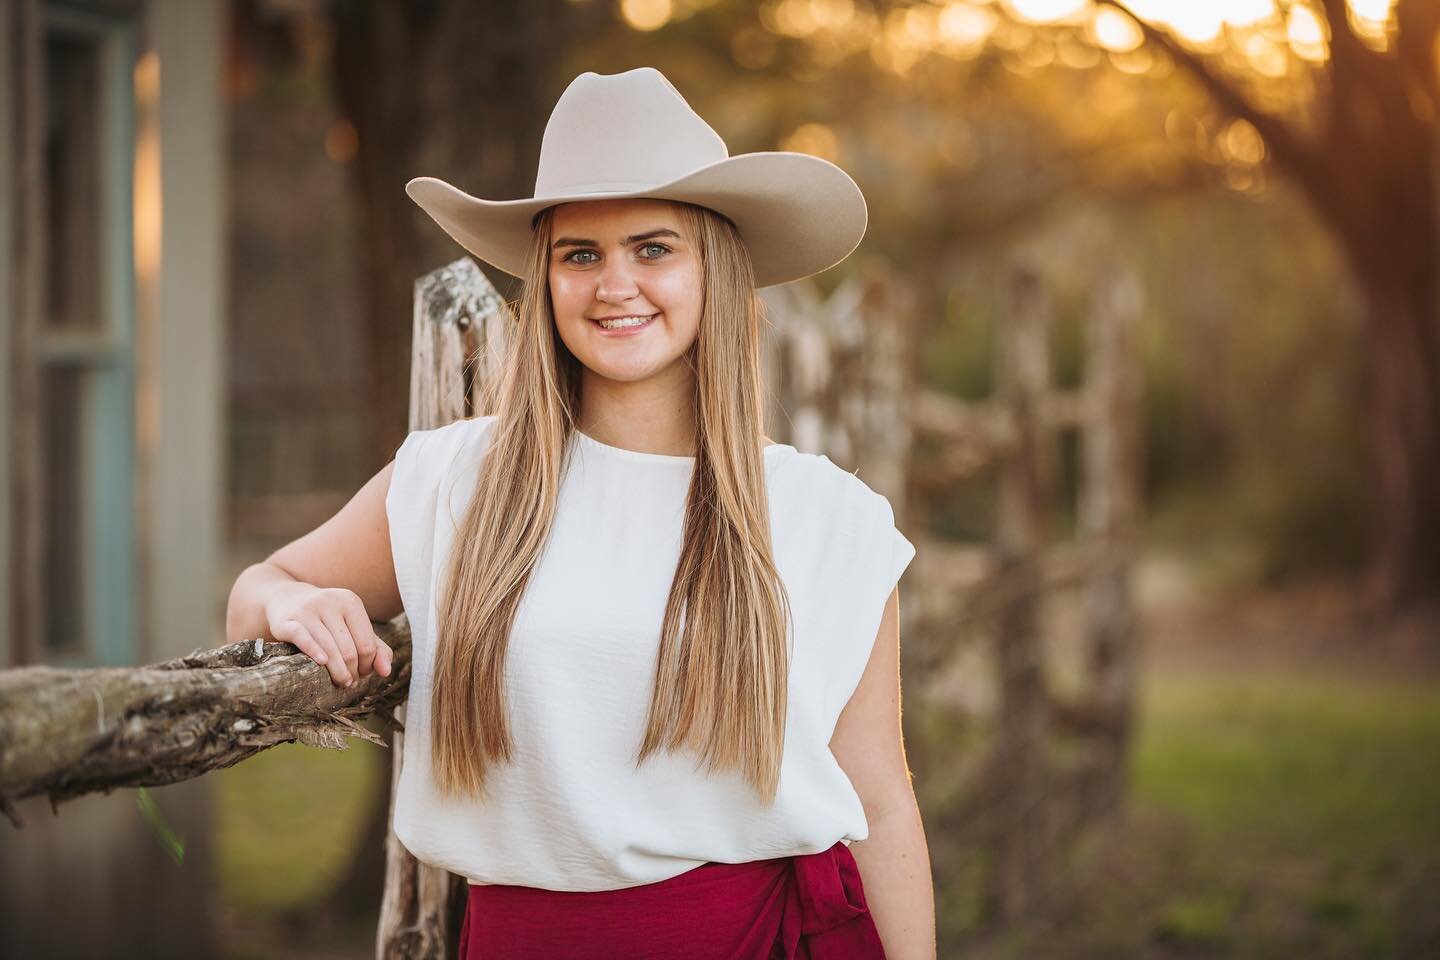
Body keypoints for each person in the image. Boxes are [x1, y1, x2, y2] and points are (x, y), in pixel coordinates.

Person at [226, 67, 936, 959]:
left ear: (715, 267)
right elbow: (260, 588)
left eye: (653, 248)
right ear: (546, 277)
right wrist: (290, 604)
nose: (614, 286)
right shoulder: (456, 482)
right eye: (580, 254)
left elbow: (879, 798)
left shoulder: (829, 516)